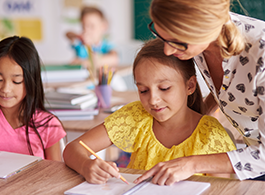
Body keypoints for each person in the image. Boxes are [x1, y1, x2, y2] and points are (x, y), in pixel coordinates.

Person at [63, 38, 236, 184]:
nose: (153, 100)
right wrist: (86, 166)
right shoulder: (135, 116)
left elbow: (220, 190)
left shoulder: (211, 135)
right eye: (143, 91)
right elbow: (72, 149)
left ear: (189, 86)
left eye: (165, 88)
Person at [134, 0, 265, 185]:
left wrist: (190, 164)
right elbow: (229, 88)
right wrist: (198, 117)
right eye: (161, 35)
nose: (168, 50)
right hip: (252, 159)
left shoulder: (262, 54)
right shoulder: (200, 44)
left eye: (178, 42)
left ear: (204, 30)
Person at [0, 36, 66, 161]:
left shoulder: (48, 126)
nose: (5, 89)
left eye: (16, 81)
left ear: (30, 81)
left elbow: (55, 176)